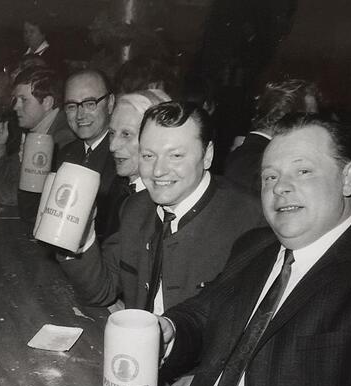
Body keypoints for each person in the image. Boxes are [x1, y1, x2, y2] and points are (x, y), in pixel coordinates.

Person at [158, 113, 351, 386]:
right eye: (270, 177)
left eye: (303, 171)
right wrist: (169, 331)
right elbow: (203, 315)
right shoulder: (254, 246)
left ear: (347, 178)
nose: (281, 187)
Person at [58, 101, 264, 314]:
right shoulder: (135, 208)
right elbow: (101, 291)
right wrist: (78, 236)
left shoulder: (251, 219)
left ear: (208, 155)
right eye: (148, 156)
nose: (157, 171)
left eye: (175, 156)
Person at [0, 66, 75, 218]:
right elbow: (12, 178)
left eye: (23, 100)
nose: (16, 107)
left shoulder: (63, 139)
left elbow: (33, 195)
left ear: (47, 103)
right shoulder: (34, 130)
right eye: (15, 100)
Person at [225, 78, 320, 194]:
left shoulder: (247, 154)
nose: (317, 126)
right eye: (312, 118)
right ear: (289, 118)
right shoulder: (261, 162)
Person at [54, 69, 119, 238]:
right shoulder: (65, 154)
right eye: (71, 106)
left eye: (90, 104)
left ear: (110, 103)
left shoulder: (122, 158)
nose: (80, 115)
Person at [102, 90, 171, 234]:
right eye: (112, 133)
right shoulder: (117, 186)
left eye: (126, 134)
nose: (112, 146)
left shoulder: (165, 201)